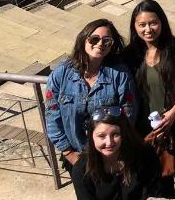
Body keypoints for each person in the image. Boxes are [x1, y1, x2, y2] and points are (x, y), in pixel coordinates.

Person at [45, 19, 137, 170]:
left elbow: (128, 114)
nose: (100, 44)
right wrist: (69, 153)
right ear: (83, 39)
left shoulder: (119, 74)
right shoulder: (61, 74)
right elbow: (52, 117)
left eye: (106, 41)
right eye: (94, 39)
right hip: (76, 154)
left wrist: (112, 151)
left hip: (111, 154)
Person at [125, 0, 175, 197]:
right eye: (142, 25)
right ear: (134, 27)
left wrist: (173, 113)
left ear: (162, 22)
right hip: (148, 133)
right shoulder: (132, 55)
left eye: (153, 22)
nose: (148, 29)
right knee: (159, 186)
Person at [71, 108, 161, 200]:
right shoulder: (81, 170)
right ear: (91, 136)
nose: (109, 142)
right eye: (101, 136)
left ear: (124, 133)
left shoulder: (145, 156)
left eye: (115, 134)